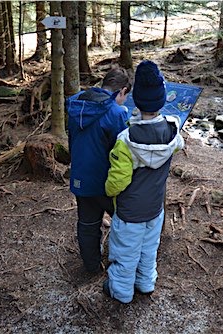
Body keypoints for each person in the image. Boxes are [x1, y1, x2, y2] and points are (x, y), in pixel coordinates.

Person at [103, 60, 185, 303]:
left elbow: (118, 180)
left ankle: (121, 293)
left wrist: (108, 190)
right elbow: (178, 147)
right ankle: (146, 283)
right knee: (149, 249)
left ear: (136, 101)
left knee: (125, 254)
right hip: (154, 209)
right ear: (161, 100)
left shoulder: (126, 140)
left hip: (130, 212)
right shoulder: (172, 132)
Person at [67, 68, 132, 274]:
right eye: (126, 96)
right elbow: (121, 152)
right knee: (123, 222)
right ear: (122, 90)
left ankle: (91, 266)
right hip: (106, 182)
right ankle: (121, 264)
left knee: (87, 224)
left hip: (80, 177)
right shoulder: (116, 113)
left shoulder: (77, 103)